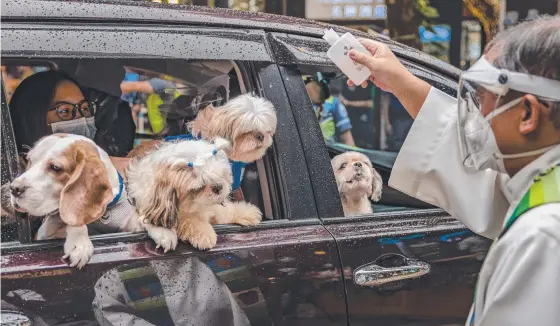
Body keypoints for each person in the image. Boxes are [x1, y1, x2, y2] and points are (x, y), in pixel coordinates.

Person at [347, 16, 560, 325]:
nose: (475, 118)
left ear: (527, 113)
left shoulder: (543, 235)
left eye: (484, 99)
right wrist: (400, 82)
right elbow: (484, 182)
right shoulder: (543, 186)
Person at [9, 70, 131, 174]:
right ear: (33, 119)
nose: (80, 118)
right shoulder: (14, 175)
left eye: (84, 108)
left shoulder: (98, 162)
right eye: (64, 111)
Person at [304, 75, 356, 146]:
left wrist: (354, 156)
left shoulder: (333, 102)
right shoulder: (293, 102)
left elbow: (347, 137)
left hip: (329, 151)